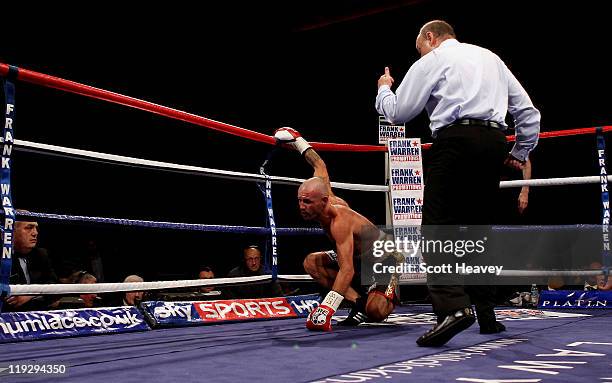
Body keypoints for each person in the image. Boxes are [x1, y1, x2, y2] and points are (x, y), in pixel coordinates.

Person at [376, 20, 540, 346]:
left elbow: (399, 112)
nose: (420, 52)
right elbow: (528, 112)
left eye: (420, 46)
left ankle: (453, 308)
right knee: (478, 231)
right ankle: (487, 316)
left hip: (454, 142)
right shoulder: (491, 58)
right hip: (494, 140)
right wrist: (520, 151)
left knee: (437, 227)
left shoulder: (434, 59)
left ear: (430, 37)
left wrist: (383, 88)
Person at [274, 127, 400, 332]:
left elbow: (347, 269)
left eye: (307, 202)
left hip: (385, 258)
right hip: (357, 256)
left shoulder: (339, 221)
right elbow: (319, 164)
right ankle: (358, 303)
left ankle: (384, 295)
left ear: (322, 202)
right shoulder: (323, 193)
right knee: (312, 262)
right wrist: (298, 140)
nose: (301, 207)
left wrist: (326, 309)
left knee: (375, 312)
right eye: (300, 201)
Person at [4, 216, 59, 311]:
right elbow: (9, 300)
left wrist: (30, 294)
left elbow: (53, 284)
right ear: (12, 231)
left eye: (36, 228)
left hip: (38, 315)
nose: (35, 233)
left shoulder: (41, 254)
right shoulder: (3, 256)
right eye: (29, 228)